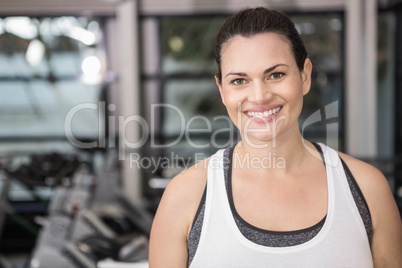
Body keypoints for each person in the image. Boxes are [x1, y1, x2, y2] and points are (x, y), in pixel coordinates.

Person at [149, 7, 402, 267]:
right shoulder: (185, 196)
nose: (259, 96)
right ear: (222, 89)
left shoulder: (368, 189)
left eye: (276, 75)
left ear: (305, 75)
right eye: (239, 80)